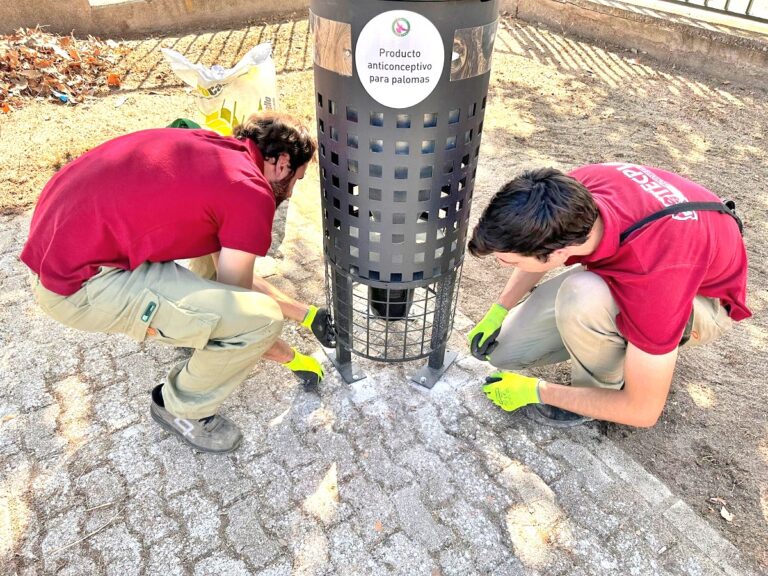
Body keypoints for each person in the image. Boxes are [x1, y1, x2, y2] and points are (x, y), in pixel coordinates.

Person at [20, 112, 336, 453]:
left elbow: (222, 263)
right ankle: (179, 409)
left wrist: (307, 315)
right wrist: (293, 358)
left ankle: (194, 331)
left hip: (54, 249)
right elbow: (241, 306)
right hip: (77, 287)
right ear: (282, 162)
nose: (289, 195)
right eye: (297, 180)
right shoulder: (250, 192)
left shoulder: (212, 146)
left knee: (217, 259)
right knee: (258, 321)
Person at [466, 163, 750, 428]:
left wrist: (539, 391)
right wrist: (500, 309)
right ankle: (617, 346)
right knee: (505, 352)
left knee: (584, 293)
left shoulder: (654, 278)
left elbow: (642, 411)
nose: (503, 266)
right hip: (653, 258)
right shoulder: (568, 192)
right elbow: (537, 253)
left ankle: (595, 395)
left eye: (510, 262)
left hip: (701, 299)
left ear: (559, 252)